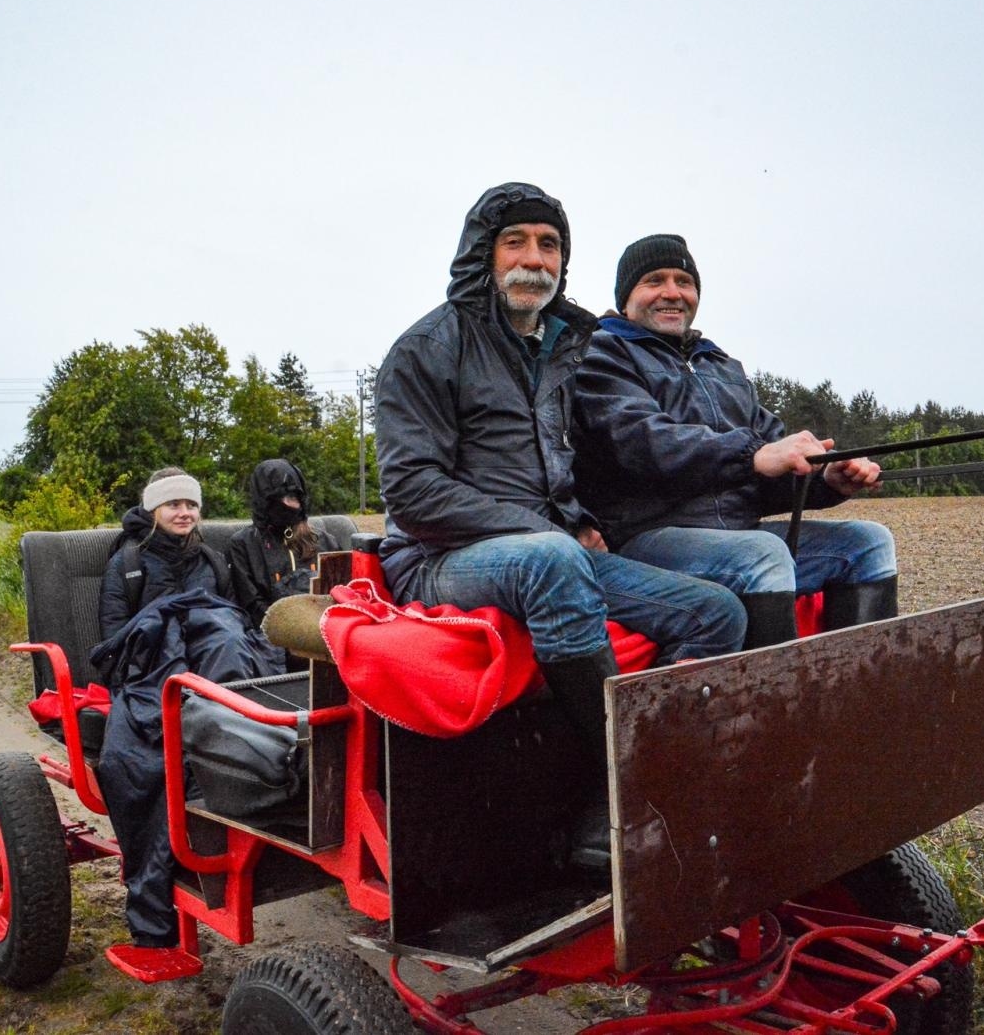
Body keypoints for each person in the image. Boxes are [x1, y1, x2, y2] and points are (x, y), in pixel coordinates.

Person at [373, 183, 747, 862]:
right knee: (550, 559)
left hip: (550, 549)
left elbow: (561, 462)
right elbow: (412, 492)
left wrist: (574, 517)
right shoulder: (429, 347)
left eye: (550, 245)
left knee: (716, 613)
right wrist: (545, 529)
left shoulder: (565, 349)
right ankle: (621, 788)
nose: (534, 258)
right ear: (482, 255)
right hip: (437, 559)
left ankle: (655, 781)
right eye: (516, 241)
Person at [573, 234, 896, 648]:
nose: (672, 293)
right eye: (654, 280)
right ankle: (775, 702)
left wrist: (826, 479)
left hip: (738, 531)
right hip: (647, 537)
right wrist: (754, 454)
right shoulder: (603, 353)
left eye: (684, 282)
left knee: (867, 542)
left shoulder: (722, 367)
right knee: (761, 554)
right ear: (626, 298)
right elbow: (643, 441)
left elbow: (769, 464)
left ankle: (858, 689)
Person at [93, 467, 283, 952]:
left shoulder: (215, 563)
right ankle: (157, 899)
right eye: (173, 504)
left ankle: (241, 736)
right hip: (154, 673)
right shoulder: (129, 564)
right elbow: (116, 640)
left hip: (213, 673)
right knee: (138, 762)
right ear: (154, 510)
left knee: (226, 636)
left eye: (191, 505)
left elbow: (235, 623)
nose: (184, 512)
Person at [228, 458, 342, 628]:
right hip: (271, 636)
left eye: (296, 496)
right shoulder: (243, 545)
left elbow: (342, 592)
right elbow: (251, 604)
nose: (293, 504)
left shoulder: (324, 541)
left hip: (326, 630)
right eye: (286, 497)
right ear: (267, 501)